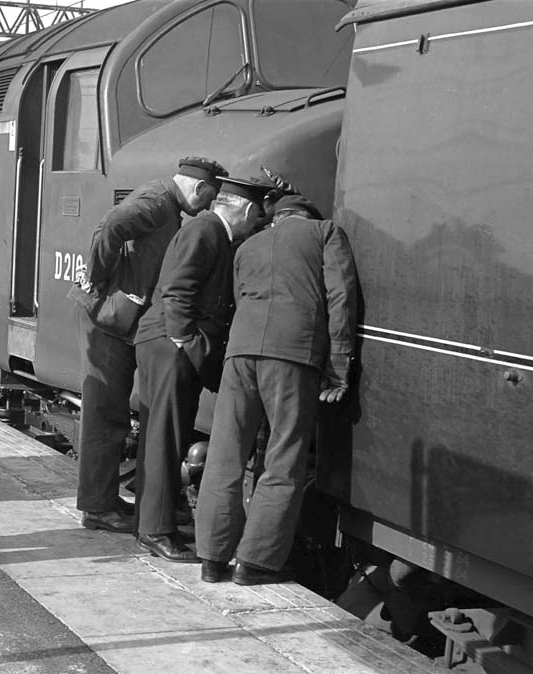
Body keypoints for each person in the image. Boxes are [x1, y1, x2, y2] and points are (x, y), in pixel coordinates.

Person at [195, 193, 358, 585]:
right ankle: (256, 563)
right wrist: (338, 365)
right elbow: (341, 296)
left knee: (225, 455)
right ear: (307, 214)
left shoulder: (247, 244)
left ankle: (212, 561)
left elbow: (239, 297)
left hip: (240, 352)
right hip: (293, 354)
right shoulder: (324, 232)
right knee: (284, 459)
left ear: (274, 216)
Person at [71, 157, 229, 535]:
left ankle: (104, 502)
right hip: (107, 321)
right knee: (106, 415)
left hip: (118, 322)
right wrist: (97, 277)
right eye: (208, 200)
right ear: (201, 188)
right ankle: (97, 508)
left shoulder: (165, 204)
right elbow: (111, 226)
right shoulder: (158, 202)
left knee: (111, 416)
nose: (205, 209)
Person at [132, 176, 272, 563]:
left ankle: (151, 522)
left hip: (166, 344)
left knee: (163, 437)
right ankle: (155, 532)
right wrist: (190, 346)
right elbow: (178, 290)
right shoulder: (205, 231)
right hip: (169, 345)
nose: (258, 224)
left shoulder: (209, 231)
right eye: (258, 216)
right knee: (165, 439)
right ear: (245, 210)